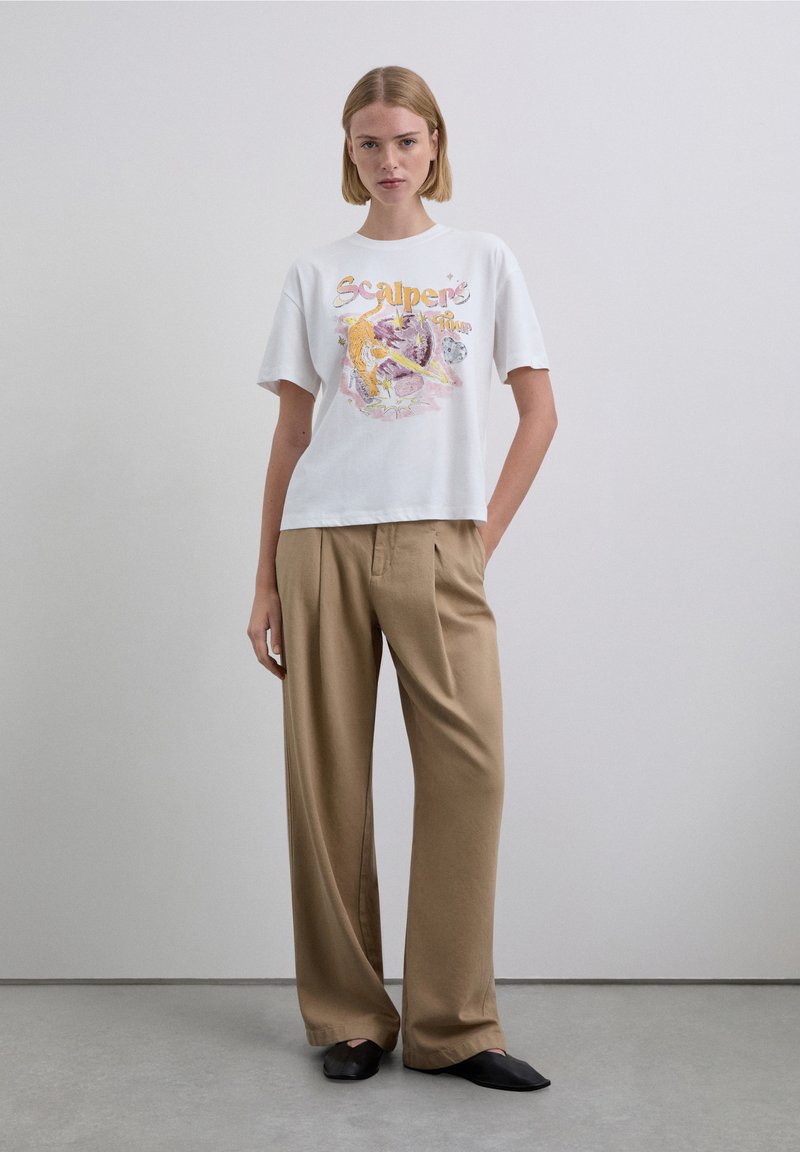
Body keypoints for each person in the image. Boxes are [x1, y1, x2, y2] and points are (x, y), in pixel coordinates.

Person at [247, 65, 558, 1092]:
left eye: (406, 141)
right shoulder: (316, 272)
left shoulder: (484, 258)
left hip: (438, 542)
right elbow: (292, 435)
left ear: (435, 146)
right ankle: (350, 1018)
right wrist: (264, 581)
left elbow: (539, 413)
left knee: (471, 769)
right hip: (320, 540)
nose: (389, 160)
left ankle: (453, 1025)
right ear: (349, 152)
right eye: (369, 143)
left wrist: (480, 538)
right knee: (327, 784)